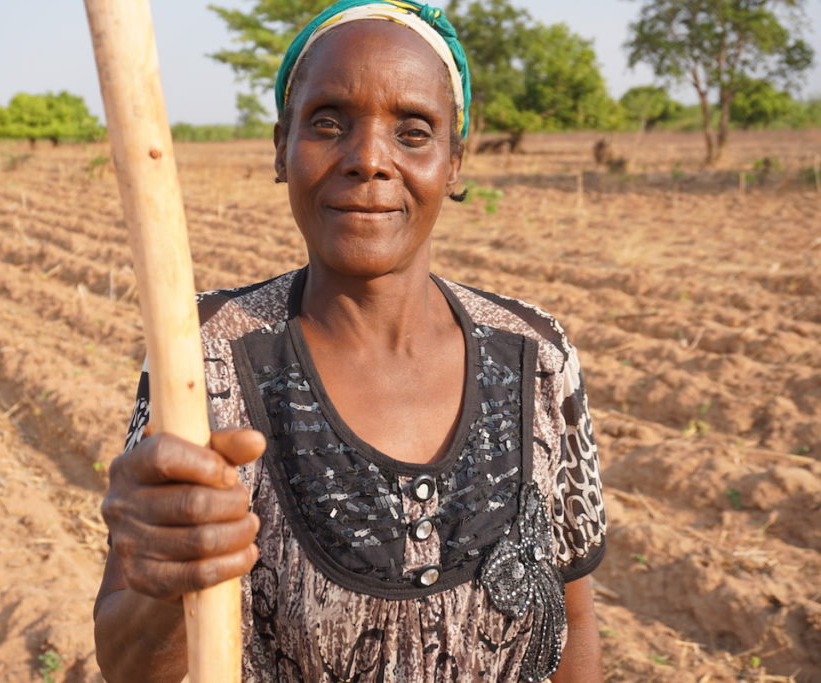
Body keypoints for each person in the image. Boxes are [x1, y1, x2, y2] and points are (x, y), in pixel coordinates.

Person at [94, 1, 606, 681]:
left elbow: (576, 622)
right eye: (328, 123)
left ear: (455, 164)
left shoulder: (539, 354)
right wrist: (162, 582)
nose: (368, 159)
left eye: (414, 131)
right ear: (282, 148)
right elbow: (129, 662)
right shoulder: (201, 358)